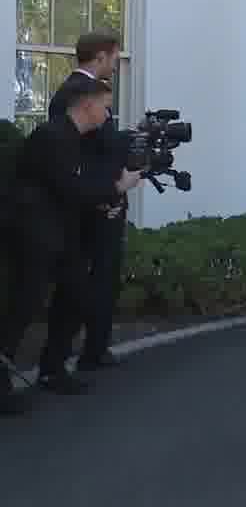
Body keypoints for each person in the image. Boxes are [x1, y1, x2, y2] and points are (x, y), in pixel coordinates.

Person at [0, 78, 142, 415]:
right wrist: (117, 188)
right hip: (34, 236)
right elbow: (70, 187)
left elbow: (78, 185)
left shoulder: (75, 139)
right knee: (23, 308)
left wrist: (106, 196)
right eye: (105, 107)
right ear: (86, 105)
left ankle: (52, 368)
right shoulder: (49, 137)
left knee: (79, 295)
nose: (108, 115)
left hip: (61, 235)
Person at [47, 32, 130, 372]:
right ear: (99, 57)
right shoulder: (74, 94)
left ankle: (95, 348)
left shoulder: (84, 93)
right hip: (91, 205)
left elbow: (101, 143)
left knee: (101, 277)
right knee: (83, 282)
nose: (115, 63)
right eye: (114, 58)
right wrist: (111, 189)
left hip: (100, 198)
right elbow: (85, 152)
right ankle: (61, 361)